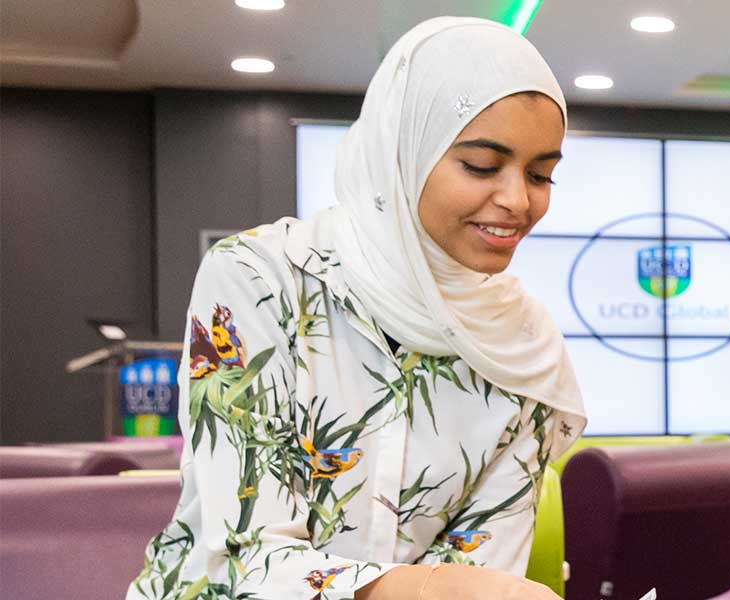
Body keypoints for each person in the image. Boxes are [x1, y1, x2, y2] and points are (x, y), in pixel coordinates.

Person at [127, 17, 586, 600]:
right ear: (402, 154)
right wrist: (418, 591)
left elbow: (474, 570)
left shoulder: (523, 348)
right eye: (480, 165)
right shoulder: (261, 278)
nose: (518, 200)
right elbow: (247, 556)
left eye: (541, 174)